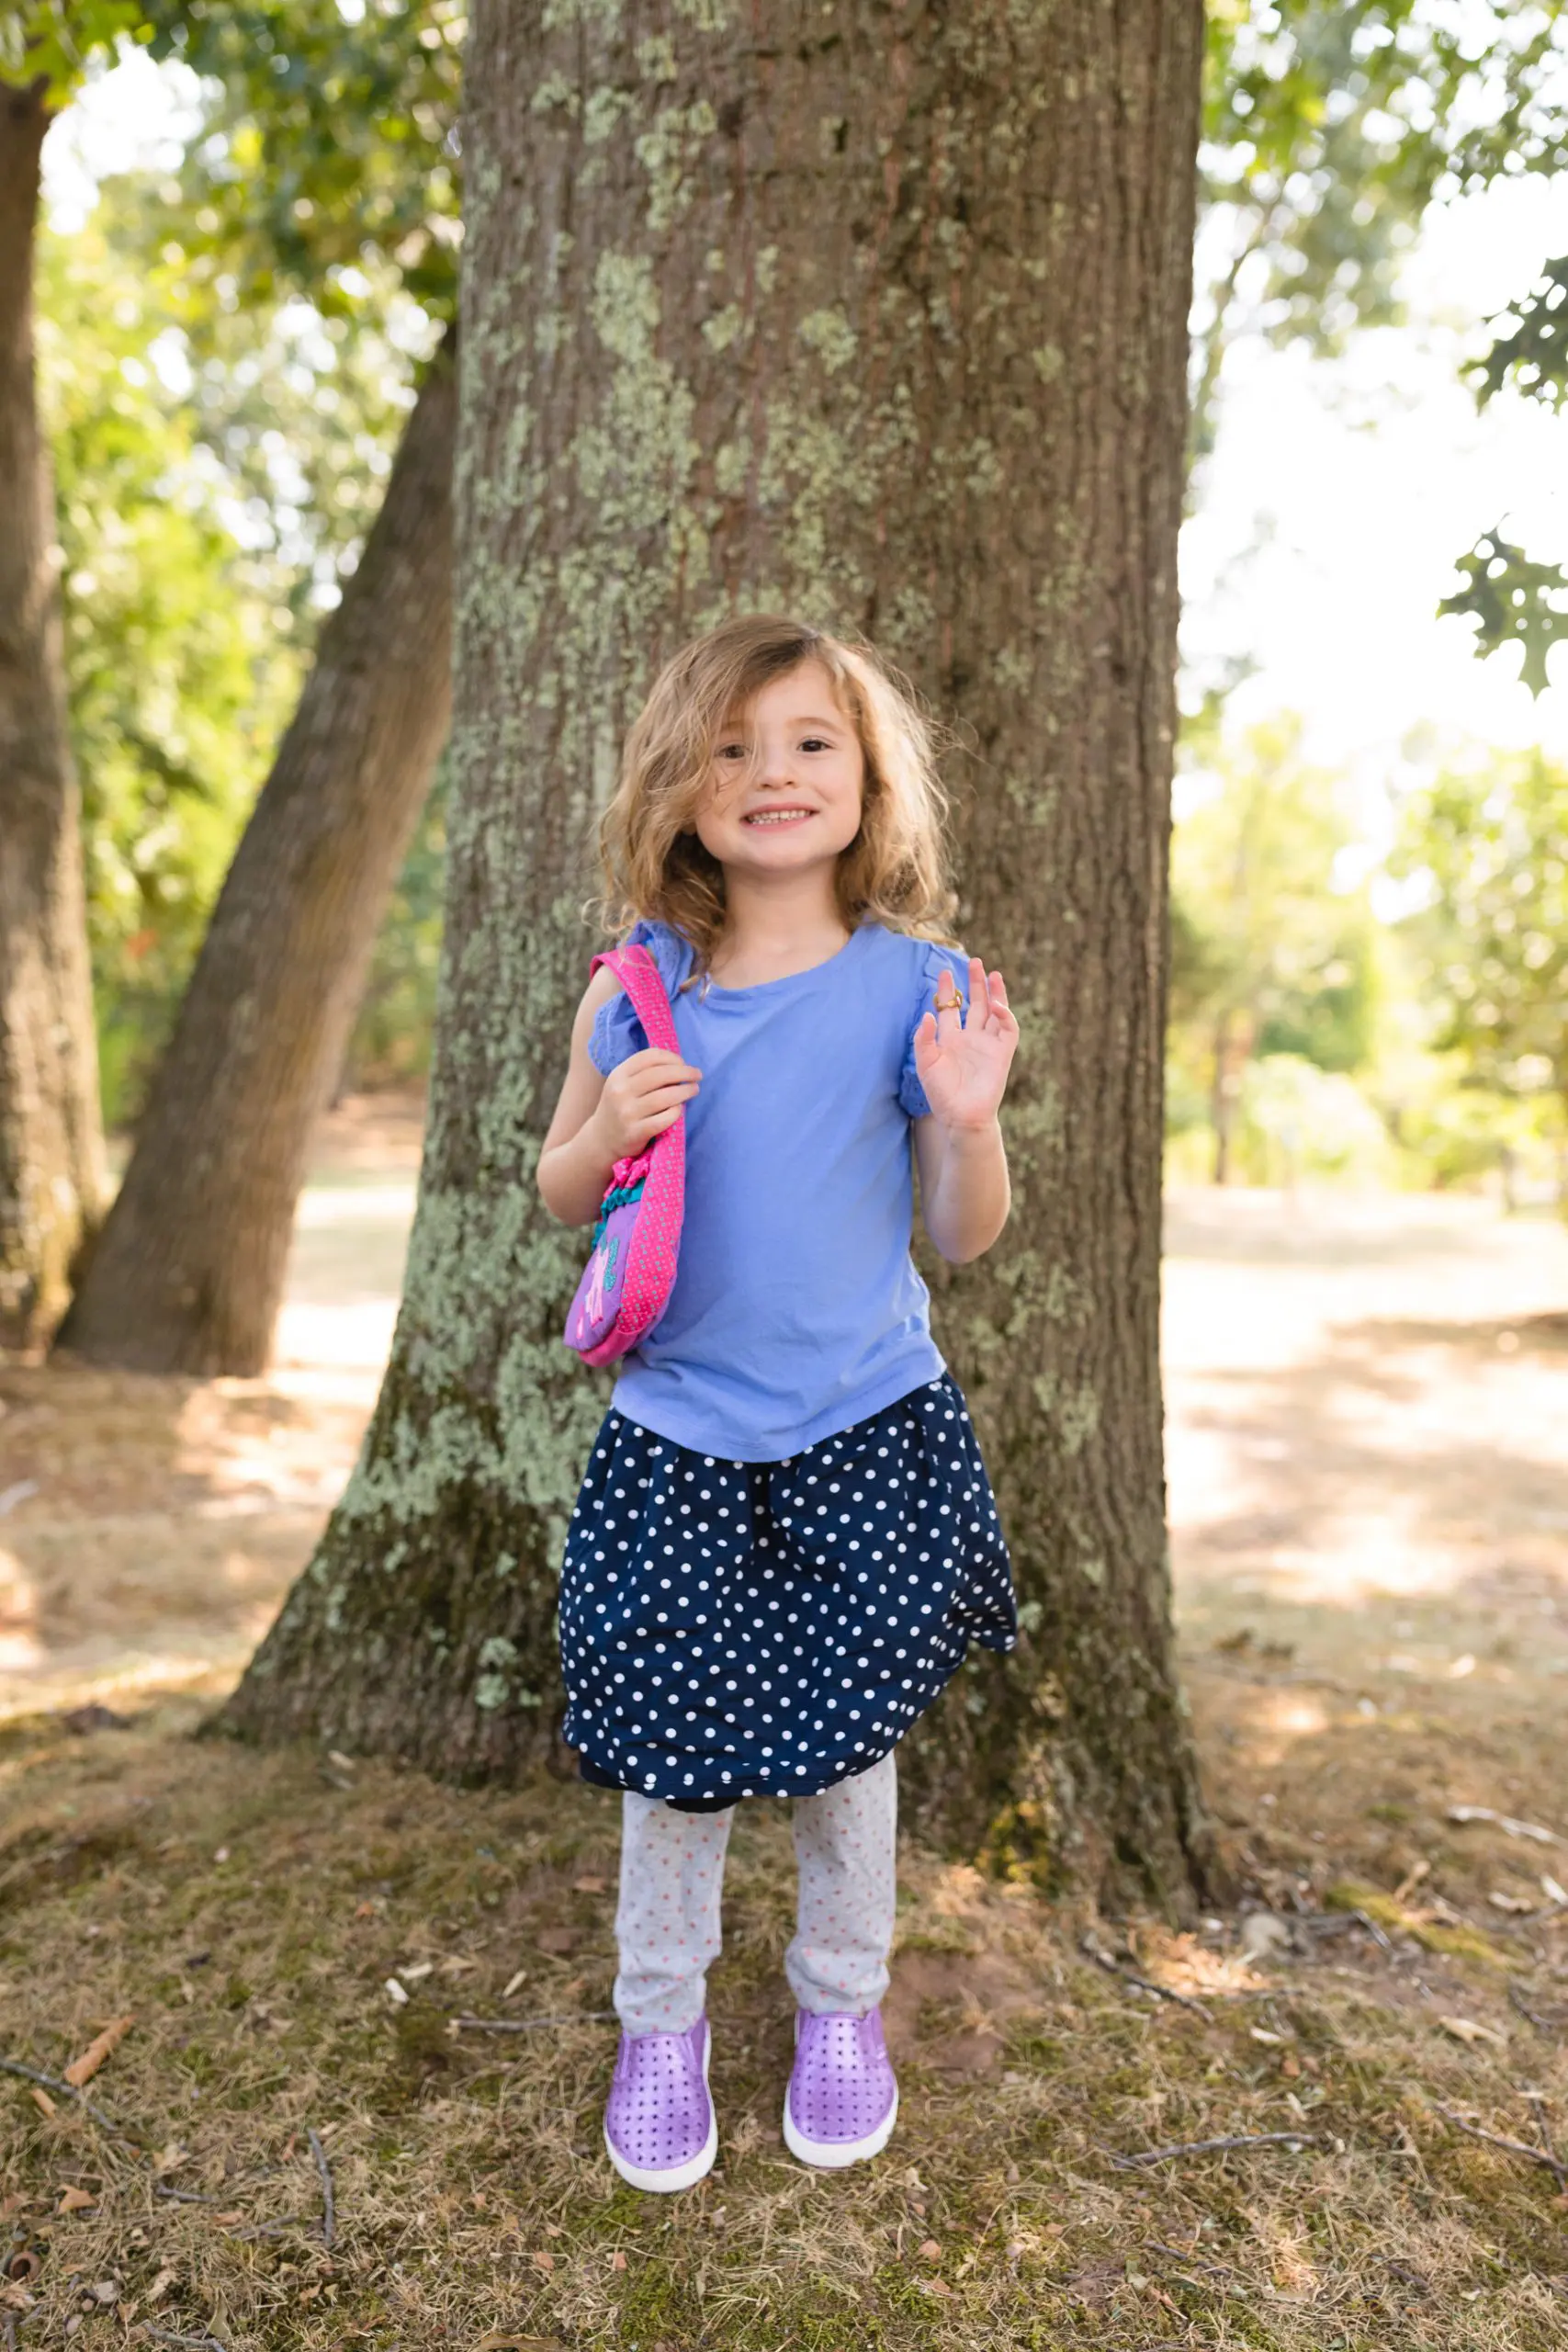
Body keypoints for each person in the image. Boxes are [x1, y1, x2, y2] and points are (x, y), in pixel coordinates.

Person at [536, 614, 1020, 2192]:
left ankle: (839, 2008)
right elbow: (557, 1190)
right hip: (678, 1440)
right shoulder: (637, 982)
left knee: (842, 1753)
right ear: (677, 788)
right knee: (675, 1766)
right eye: (730, 748)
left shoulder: (918, 987)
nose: (770, 774)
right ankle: (658, 2027)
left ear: (868, 779)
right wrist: (606, 1121)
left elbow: (961, 1233)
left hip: (865, 1426)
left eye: (810, 741)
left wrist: (968, 1124)